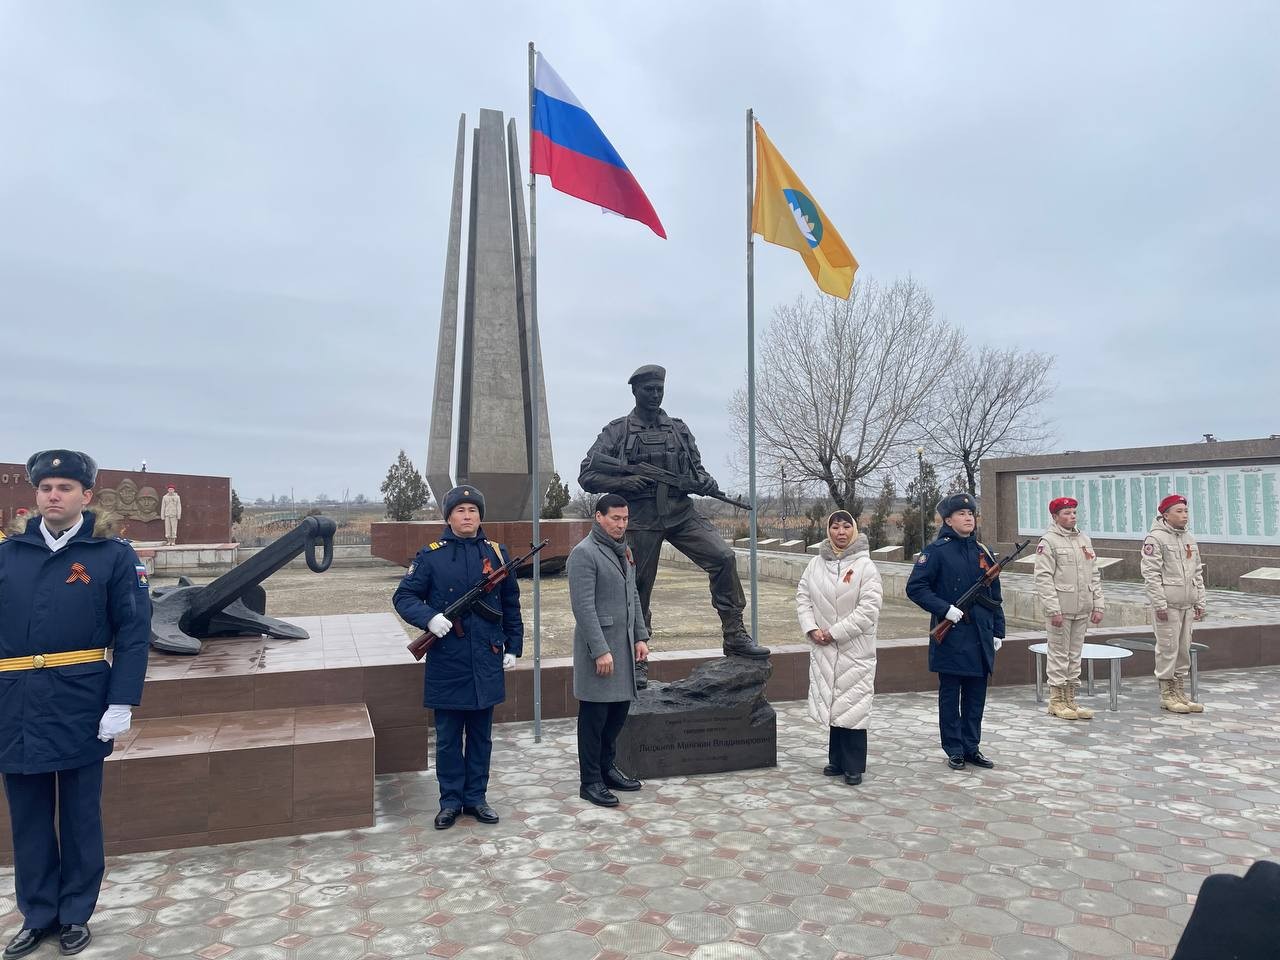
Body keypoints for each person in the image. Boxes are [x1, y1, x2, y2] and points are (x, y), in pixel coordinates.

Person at [0, 450, 150, 959]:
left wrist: (122, 700)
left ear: (87, 496)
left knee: (81, 814)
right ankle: (37, 914)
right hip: (15, 701)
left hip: (82, 699)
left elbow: (132, 634)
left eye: (64, 487)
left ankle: (75, 913)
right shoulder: (8, 555)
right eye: (45, 488)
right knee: (28, 815)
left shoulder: (112, 555)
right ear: (35, 494)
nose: (53, 496)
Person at [578, 364, 768, 688]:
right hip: (640, 520)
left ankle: (734, 635)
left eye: (659, 389)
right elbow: (587, 475)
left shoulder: (678, 429)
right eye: (648, 389)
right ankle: (636, 658)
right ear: (635, 391)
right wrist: (625, 482)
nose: (654, 395)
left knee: (723, 557)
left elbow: (697, 469)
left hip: (681, 514)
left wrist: (705, 482)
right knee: (637, 587)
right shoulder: (617, 431)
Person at [392, 485, 522, 829]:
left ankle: (476, 798)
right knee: (449, 738)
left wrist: (513, 646)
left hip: (486, 658)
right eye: (461, 510)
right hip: (448, 660)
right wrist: (430, 618)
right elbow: (404, 596)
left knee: (481, 737)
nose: (468, 516)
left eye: (473, 510)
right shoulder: (431, 555)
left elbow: (511, 605)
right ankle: (450, 801)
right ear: (449, 516)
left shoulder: (497, 553)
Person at [905, 492, 1005, 771]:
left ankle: (972, 746)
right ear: (948, 520)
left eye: (971, 514)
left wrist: (998, 631)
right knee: (951, 697)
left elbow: (995, 596)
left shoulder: (982, 552)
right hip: (952, 635)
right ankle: (954, 748)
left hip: (981, 636)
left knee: (976, 697)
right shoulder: (936, 552)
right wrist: (945, 609)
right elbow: (916, 588)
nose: (968, 518)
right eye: (961, 514)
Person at [568, 494, 650, 807]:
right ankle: (590, 781)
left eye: (625, 519)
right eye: (615, 518)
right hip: (600, 651)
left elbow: (634, 597)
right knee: (594, 718)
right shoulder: (584, 554)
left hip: (624, 647)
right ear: (599, 517)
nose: (621, 524)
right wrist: (599, 650)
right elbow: (584, 608)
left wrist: (640, 637)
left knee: (617, 715)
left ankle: (607, 768)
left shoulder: (623, 551)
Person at [795, 511, 882, 786]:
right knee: (834, 702)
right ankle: (836, 759)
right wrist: (812, 628)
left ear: (854, 531)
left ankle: (854, 765)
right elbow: (803, 597)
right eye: (835, 526)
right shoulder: (815, 564)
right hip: (823, 646)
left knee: (854, 705)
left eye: (846, 526)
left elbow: (869, 610)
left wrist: (834, 633)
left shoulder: (866, 567)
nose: (840, 532)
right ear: (828, 530)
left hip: (854, 647)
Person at [1032, 496, 1105, 721]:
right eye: (1066, 513)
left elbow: (1094, 573)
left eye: (1074, 512)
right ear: (1055, 517)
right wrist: (1053, 609)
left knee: (1075, 656)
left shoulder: (1084, 539)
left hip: (1082, 607)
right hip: (1061, 609)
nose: (1072, 516)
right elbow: (1043, 578)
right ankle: (1056, 701)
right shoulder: (1049, 541)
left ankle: (1071, 699)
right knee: (1058, 655)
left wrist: (1098, 604)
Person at [1141, 493, 1206, 713]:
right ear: (1166, 514)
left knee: (1183, 650)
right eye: (1179, 511)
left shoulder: (1189, 538)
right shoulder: (1156, 539)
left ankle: (1180, 691)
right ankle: (1167, 694)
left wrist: (1200, 600)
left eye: (1186, 511)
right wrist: (1159, 604)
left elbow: (1197, 571)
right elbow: (1151, 574)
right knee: (1168, 649)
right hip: (1168, 605)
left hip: (1187, 603)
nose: (1184, 515)